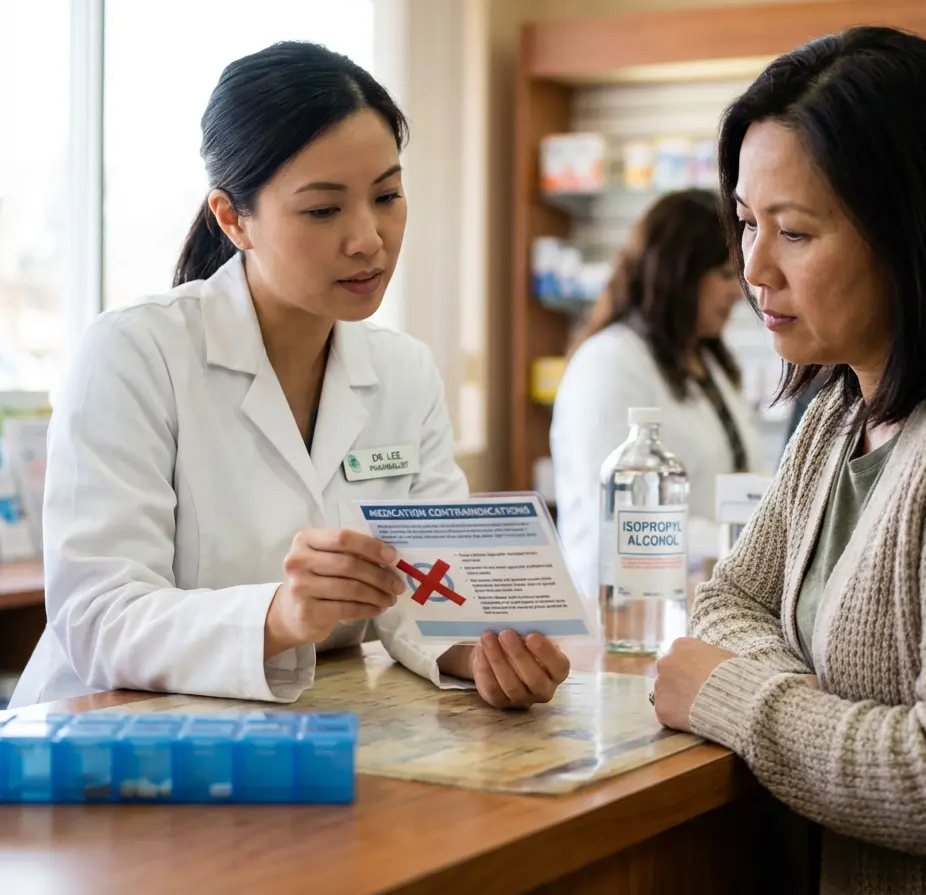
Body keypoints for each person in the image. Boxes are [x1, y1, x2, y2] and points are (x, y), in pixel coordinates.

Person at [11, 42, 569, 711]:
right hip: (111, 746)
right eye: (322, 210)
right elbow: (97, 619)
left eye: (387, 195)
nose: (368, 238)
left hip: (305, 732)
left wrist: (481, 650)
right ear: (231, 217)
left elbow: (424, 588)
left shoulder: (402, 371)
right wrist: (277, 616)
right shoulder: (135, 353)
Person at [651, 27, 926, 894]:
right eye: (746, 224)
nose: (754, 270)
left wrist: (736, 697)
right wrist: (816, 707)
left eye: (796, 233)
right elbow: (727, 599)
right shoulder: (842, 410)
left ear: (914, 228)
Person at [550, 189, 759, 600]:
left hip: (709, 595)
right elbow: (618, 515)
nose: (737, 290)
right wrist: (734, 542)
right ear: (675, 273)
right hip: (630, 609)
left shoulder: (708, 362)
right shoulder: (609, 362)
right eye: (721, 273)